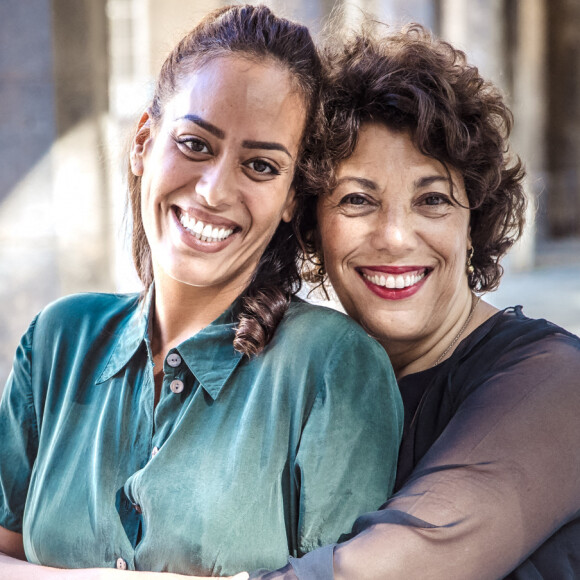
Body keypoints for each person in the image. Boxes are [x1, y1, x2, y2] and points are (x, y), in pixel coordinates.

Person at [0, 6, 404, 578]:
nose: (214, 190)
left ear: (292, 196)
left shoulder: (333, 367)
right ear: (144, 141)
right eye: (195, 143)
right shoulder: (56, 341)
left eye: (261, 165)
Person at [252, 22, 580, 580]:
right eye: (358, 200)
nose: (396, 237)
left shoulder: (556, 384)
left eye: (432, 199)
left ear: (473, 222)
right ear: (311, 227)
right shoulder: (316, 384)